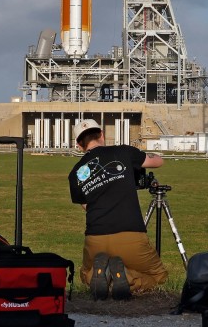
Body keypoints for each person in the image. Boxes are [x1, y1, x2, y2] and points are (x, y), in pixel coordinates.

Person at [68, 119, 168, 300]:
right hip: (130, 236)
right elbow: (157, 162)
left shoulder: (75, 172)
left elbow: (86, 206)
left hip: (95, 239)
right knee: (158, 276)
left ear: (79, 145)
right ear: (102, 135)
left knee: (85, 274)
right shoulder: (123, 151)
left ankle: (101, 275)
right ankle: (126, 278)